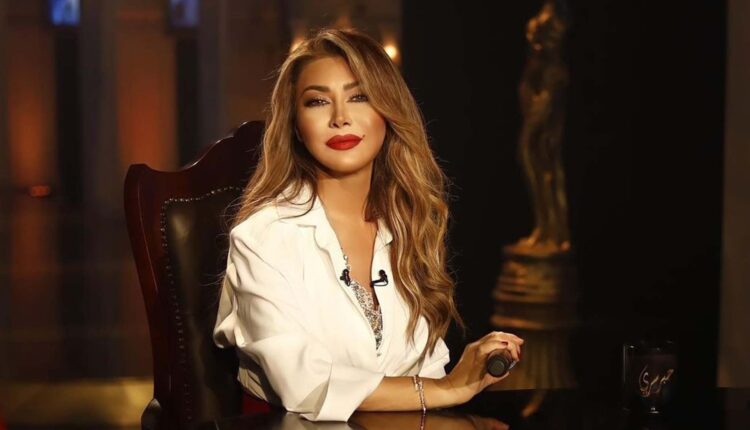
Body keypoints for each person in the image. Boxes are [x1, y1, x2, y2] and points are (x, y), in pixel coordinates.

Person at [213, 28, 524, 422]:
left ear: (387, 113)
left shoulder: (407, 224)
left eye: (359, 96)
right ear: (296, 127)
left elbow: (424, 368)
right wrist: (448, 388)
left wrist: (468, 372)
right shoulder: (263, 238)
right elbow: (303, 385)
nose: (340, 118)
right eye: (318, 101)